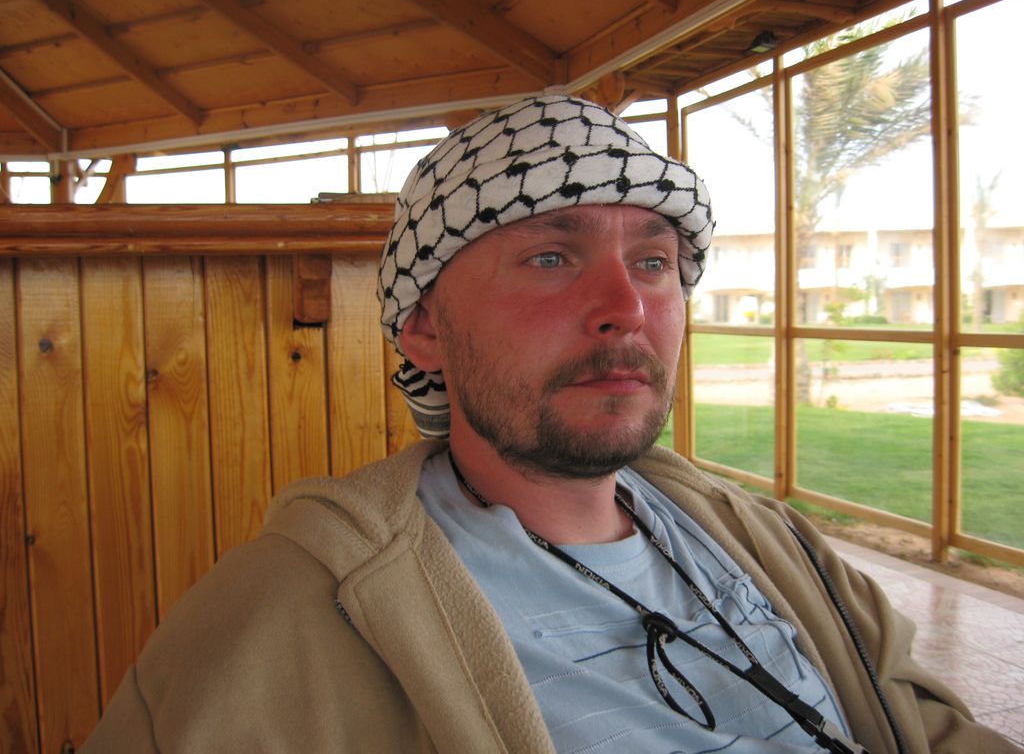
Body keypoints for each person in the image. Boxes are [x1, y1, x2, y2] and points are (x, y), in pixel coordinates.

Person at [83, 95, 1021, 753]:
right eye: (549, 257)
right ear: (423, 328)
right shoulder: (293, 612)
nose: (626, 307)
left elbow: (926, 726)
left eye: (653, 263)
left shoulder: (766, 539)